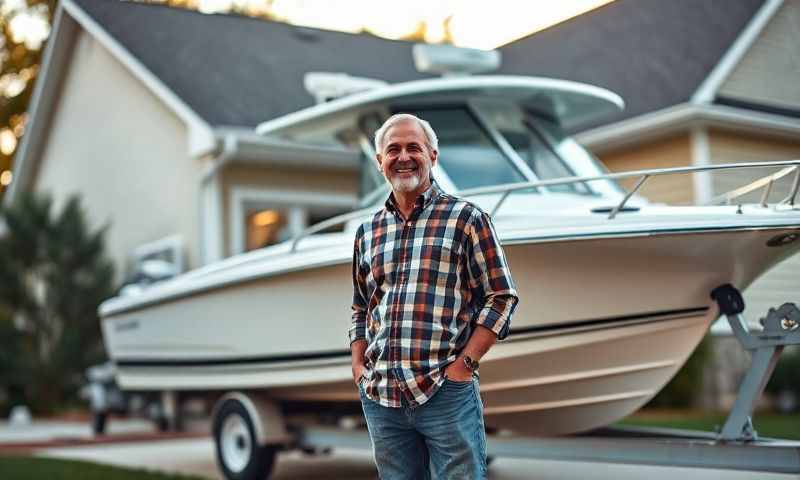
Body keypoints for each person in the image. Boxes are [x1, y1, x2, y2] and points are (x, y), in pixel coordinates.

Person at [349, 113, 519, 479]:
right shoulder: (368, 232)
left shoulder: (467, 219)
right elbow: (361, 306)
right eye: (393, 149)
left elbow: (501, 296)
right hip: (382, 397)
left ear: (433, 156)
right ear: (379, 162)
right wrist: (359, 364)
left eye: (414, 147)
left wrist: (464, 367)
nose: (404, 156)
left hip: (446, 392)